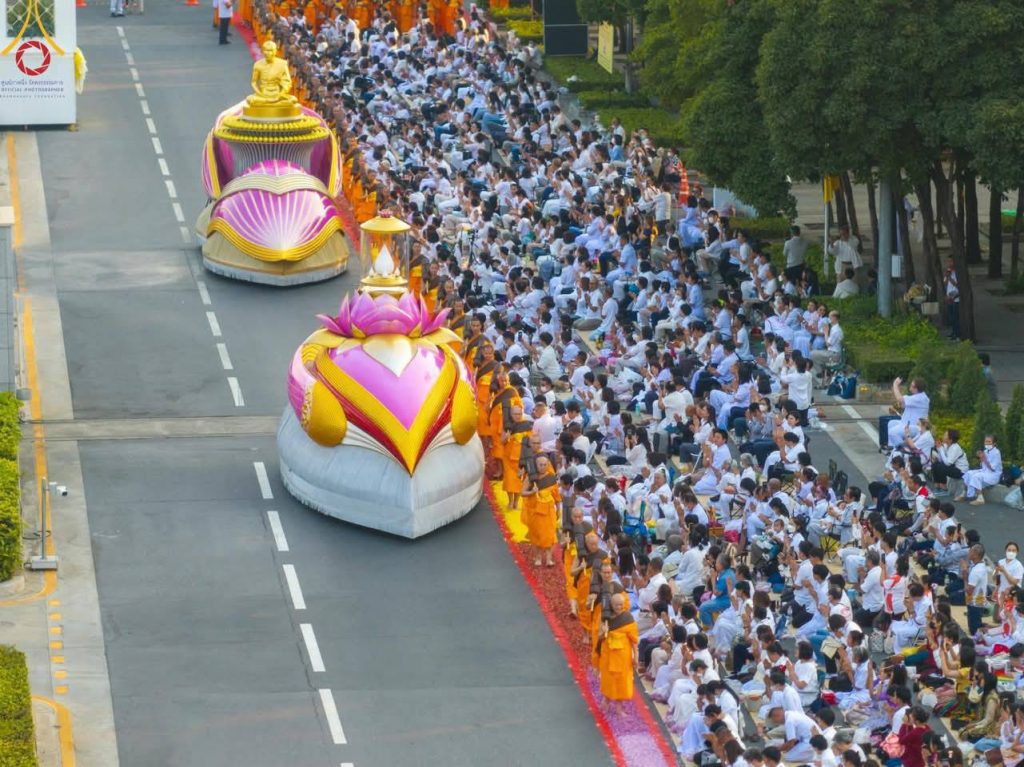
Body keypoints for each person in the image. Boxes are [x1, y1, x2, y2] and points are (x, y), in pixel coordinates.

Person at [596, 592, 638, 713]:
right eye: (616, 605)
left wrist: (636, 656)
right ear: (611, 604)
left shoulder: (628, 618)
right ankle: (606, 701)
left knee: (622, 681)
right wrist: (603, 631)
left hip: (623, 656)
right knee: (608, 679)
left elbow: (634, 640)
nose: (619, 607)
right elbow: (600, 637)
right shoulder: (605, 617)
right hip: (608, 654)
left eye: (621, 605)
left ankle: (619, 707)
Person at [883, 377, 930, 451]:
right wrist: (901, 402)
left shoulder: (921, 398)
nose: (910, 387)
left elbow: (900, 399)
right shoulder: (917, 397)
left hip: (916, 427)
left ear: (916, 389)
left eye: (912, 385)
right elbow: (903, 404)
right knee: (891, 423)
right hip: (906, 424)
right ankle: (892, 448)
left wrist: (895, 385)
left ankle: (903, 450)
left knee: (893, 432)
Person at [959, 434, 1003, 505]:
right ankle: (963, 494)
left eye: (989, 442)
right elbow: (983, 466)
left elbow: (993, 469)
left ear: (994, 443)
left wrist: (983, 458)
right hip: (985, 471)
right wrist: (979, 456)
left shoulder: (996, 453)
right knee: (969, 473)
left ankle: (980, 498)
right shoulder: (985, 451)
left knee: (977, 476)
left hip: (994, 474)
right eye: (986, 441)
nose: (987, 443)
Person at [965, 543, 989, 635]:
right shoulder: (978, 565)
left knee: (974, 631)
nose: (969, 552)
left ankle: (993, 629)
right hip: (976, 601)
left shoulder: (977, 570)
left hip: (975, 603)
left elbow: (969, 591)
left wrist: (964, 575)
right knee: (974, 626)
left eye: (971, 551)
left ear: (975, 554)